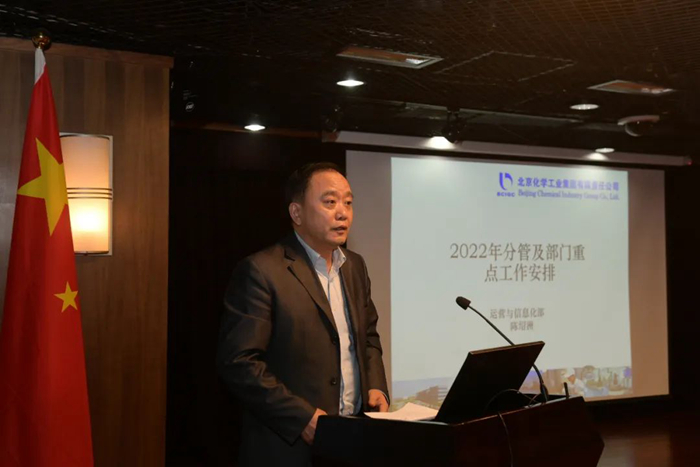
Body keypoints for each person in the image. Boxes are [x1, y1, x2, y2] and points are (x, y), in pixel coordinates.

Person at [217, 162, 389, 466]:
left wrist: (375, 385)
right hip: (288, 447)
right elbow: (239, 363)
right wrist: (302, 418)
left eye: (348, 202)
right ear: (296, 213)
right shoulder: (262, 271)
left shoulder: (355, 266)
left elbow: (368, 337)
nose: (342, 213)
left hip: (352, 440)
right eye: (330, 202)